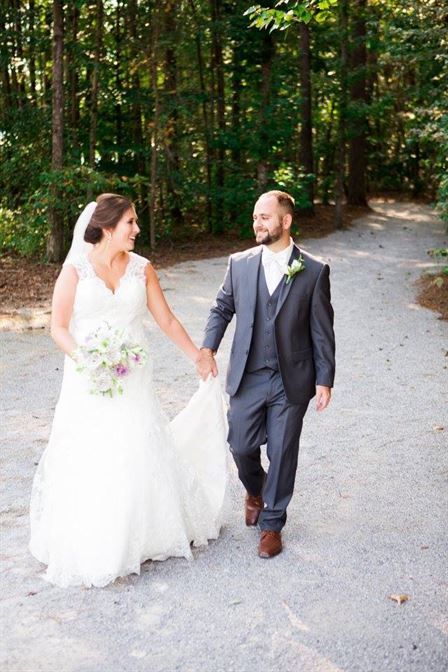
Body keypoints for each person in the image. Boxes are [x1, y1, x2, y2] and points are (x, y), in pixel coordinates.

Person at [29, 193, 228, 588]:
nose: (138, 229)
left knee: (137, 443)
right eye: (131, 223)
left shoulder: (143, 269)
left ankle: (145, 531)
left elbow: (166, 320)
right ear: (107, 227)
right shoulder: (74, 271)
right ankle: (100, 538)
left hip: (134, 373)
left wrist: (198, 357)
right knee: (95, 450)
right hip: (89, 378)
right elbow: (59, 327)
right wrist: (86, 359)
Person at [196, 190, 335, 559]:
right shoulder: (239, 264)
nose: (257, 223)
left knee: (283, 449)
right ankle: (255, 490)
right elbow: (221, 307)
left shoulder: (314, 270)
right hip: (249, 374)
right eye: (255, 217)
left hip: (293, 378)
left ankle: (272, 524)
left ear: (285, 221)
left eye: (265, 217)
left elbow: (322, 330)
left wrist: (325, 378)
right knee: (240, 444)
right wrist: (207, 348)